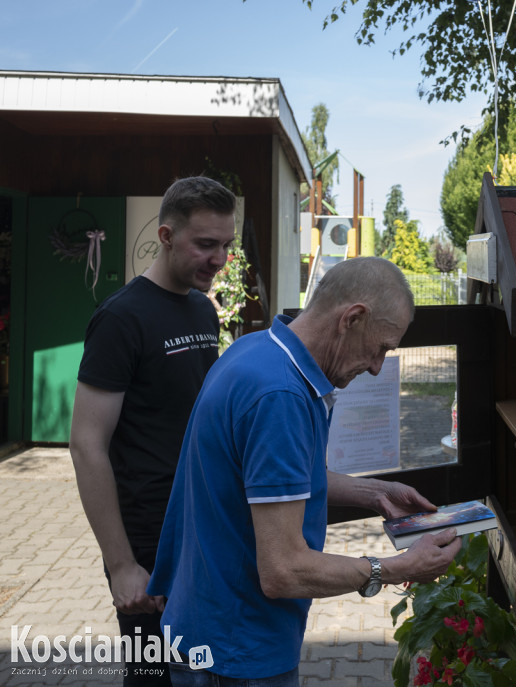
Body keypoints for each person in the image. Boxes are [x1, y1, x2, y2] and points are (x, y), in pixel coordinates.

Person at [147, 257, 462, 686]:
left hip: (208, 625)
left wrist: (376, 493)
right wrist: (399, 568)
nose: (375, 367)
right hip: (236, 648)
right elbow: (284, 571)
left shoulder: (260, 351)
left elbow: (277, 479)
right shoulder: (281, 396)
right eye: (382, 348)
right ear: (352, 319)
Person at [69, 176, 238, 686]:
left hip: (198, 522)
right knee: (151, 675)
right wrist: (120, 564)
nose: (219, 258)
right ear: (165, 236)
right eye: (205, 244)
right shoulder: (121, 318)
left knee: (199, 669)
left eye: (226, 245)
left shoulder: (201, 309)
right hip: (147, 540)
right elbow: (86, 444)